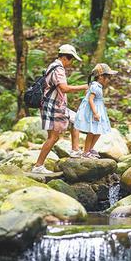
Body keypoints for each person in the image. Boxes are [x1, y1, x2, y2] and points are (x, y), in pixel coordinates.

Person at [32, 44, 88, 174]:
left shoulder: (54, 66)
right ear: (66, 58)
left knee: (76, 120)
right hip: (53, 106)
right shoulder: (58, 69)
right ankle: (38, 166)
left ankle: (74, 150)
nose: (71, 63)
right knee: (53, 137)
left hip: (54, 105)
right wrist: (84, 86)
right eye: (71, 59)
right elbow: (64, 88)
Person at [74, 64, 117, 158]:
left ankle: (90, 149)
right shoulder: (95, 86)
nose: (109, 80)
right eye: (108, 77)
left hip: (98, 109)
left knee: (98, 130)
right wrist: (95, 113)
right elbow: (90, 99)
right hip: (94, 111)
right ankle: (86, 151)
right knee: (92, 131)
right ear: (101, 76)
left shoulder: (97, 86)